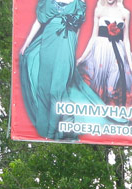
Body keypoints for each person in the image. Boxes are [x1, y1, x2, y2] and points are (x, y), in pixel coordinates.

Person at [19, 0, 107, 140]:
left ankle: (51, 134)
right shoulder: (48, 1)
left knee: (57, 90)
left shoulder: (79, 3)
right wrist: (26, 44)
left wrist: (72, 51)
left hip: (67, 42)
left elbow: (77, 29)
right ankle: (54, 126)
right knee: (44, 87)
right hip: (48, 41)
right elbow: (38, 22)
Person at [77, 0, 132, 120]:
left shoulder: (125, 13)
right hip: (100, 54)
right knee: (97, 84)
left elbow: (126, 40)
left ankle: (114, 116)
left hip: (118, 53)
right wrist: (82, 57)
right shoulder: (99, 10)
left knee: (112, 86)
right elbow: (93, 37)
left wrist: (131, 64)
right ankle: (101, 118)